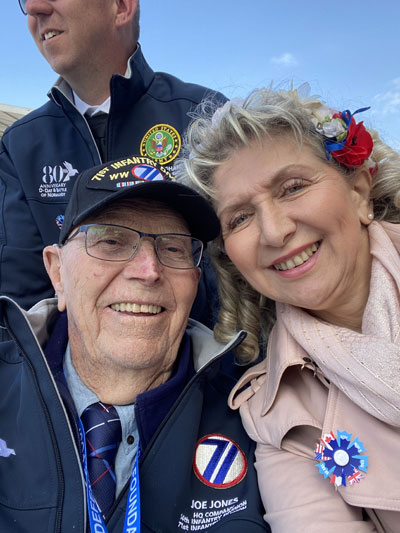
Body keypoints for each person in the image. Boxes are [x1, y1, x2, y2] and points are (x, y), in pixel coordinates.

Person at [0, 155, 269, 532]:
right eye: (111, 241)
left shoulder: (257, 412)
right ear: (57, 272)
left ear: (196, 278)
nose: (148, 271)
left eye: (174, 248)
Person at [178, 87, 400, 532]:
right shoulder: (273, 413)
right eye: (239, 218)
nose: (275, 232)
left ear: (358, 190)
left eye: (292, 187)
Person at [0, 0, 225, 329]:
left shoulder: (207, 118)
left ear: (121, 7)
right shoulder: (20, 145)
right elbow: (21, 307)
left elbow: (240, 280)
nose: (34, 8)